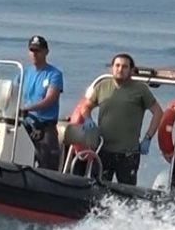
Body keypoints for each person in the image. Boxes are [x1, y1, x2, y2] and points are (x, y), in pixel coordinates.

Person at [77, 53, 163, 185]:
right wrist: (88, 118)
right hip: (103, 150)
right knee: (97, 188)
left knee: (127, 192)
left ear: (131, 70)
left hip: (128, 154)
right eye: (117, 65)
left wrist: (148, 137)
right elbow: (86, 107)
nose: (120, 69)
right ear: (112, 68)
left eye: (124, 66)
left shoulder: (140, 89)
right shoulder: (102, 86)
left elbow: (158, 112)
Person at [18, 35, 64, 170]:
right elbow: (10, 91)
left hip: (45, 127)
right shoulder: (24, 73)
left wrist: (27, 108)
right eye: (32, 50)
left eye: (38, 50)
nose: (34, 54)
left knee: (48, 164)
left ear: (46, 52)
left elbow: (50, 99)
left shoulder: (54, 74)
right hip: (26, 124)